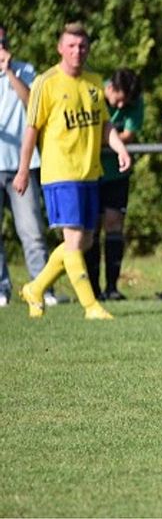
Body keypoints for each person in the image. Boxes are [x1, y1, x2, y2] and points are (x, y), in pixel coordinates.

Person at [13, 22, 131, 319]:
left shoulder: (94, 82)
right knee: (75, 241)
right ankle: (91, 306)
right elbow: (32, 129)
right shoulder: (46, 82)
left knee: (83, 242)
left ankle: (35, 288)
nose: (77, 51)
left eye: (82, 46)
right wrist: (23, 170)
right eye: (71, 46)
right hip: (60, 173)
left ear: (88, 49)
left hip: (89, 173)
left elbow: (105, 124)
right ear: (60, 48)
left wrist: (119, 147)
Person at [0, 23, 62, 308]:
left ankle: (42, 288)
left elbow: (32, 105)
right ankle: (2, 290)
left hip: (22, 167)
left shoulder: (26, 71)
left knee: (32, 232)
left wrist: (10, 73)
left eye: (3, 42)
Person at [83, 68, 144, 301]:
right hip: (90, 172)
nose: (120, 106)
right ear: (110, 88)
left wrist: (104, 138)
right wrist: (110, 137)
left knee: (114, 223)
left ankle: (112, 287)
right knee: (91, 228)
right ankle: (93, 289)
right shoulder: (94, 93)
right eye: (118, 100)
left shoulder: (135, 100)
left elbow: (128, 135)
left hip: (116, 175)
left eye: (125, 103)